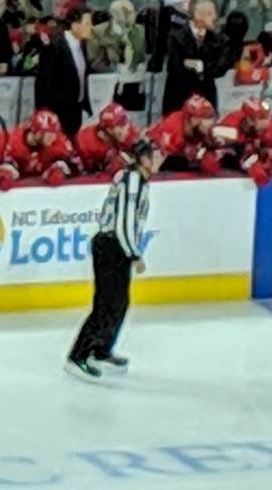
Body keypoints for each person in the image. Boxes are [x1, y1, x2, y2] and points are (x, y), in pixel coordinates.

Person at [67, 135, 161, 379]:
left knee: (119, 303)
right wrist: (134, 253)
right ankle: (78, 356)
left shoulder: (137, 180)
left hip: (118, 247)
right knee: (106, 303)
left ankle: (101, 350)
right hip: (111, 246)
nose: (159, 159)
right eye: (154, 155)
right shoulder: (132, 181)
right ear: (142, 159)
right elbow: (124, 222)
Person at [36, 4, 96, 135]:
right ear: (75, 25)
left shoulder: (82, 46)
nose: (91, 27)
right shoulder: (55, 47)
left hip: (76, 108)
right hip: (58, 110)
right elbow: (43, 82)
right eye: (87, 23)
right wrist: (44, 112)